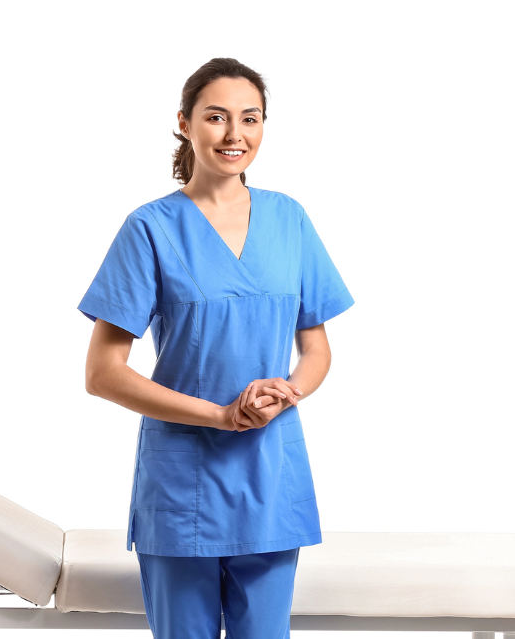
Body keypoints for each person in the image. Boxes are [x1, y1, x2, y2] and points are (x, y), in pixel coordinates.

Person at [76, 57, 354, 638]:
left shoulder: (290, 219)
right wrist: (220, 416)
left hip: (270, 470)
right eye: (216, 117)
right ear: (184, 123)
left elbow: (317, 349)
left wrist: (289, 391)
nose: (235, 135)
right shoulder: (150, 228)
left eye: (250, 119)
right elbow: (102, 373)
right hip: (184, 482)